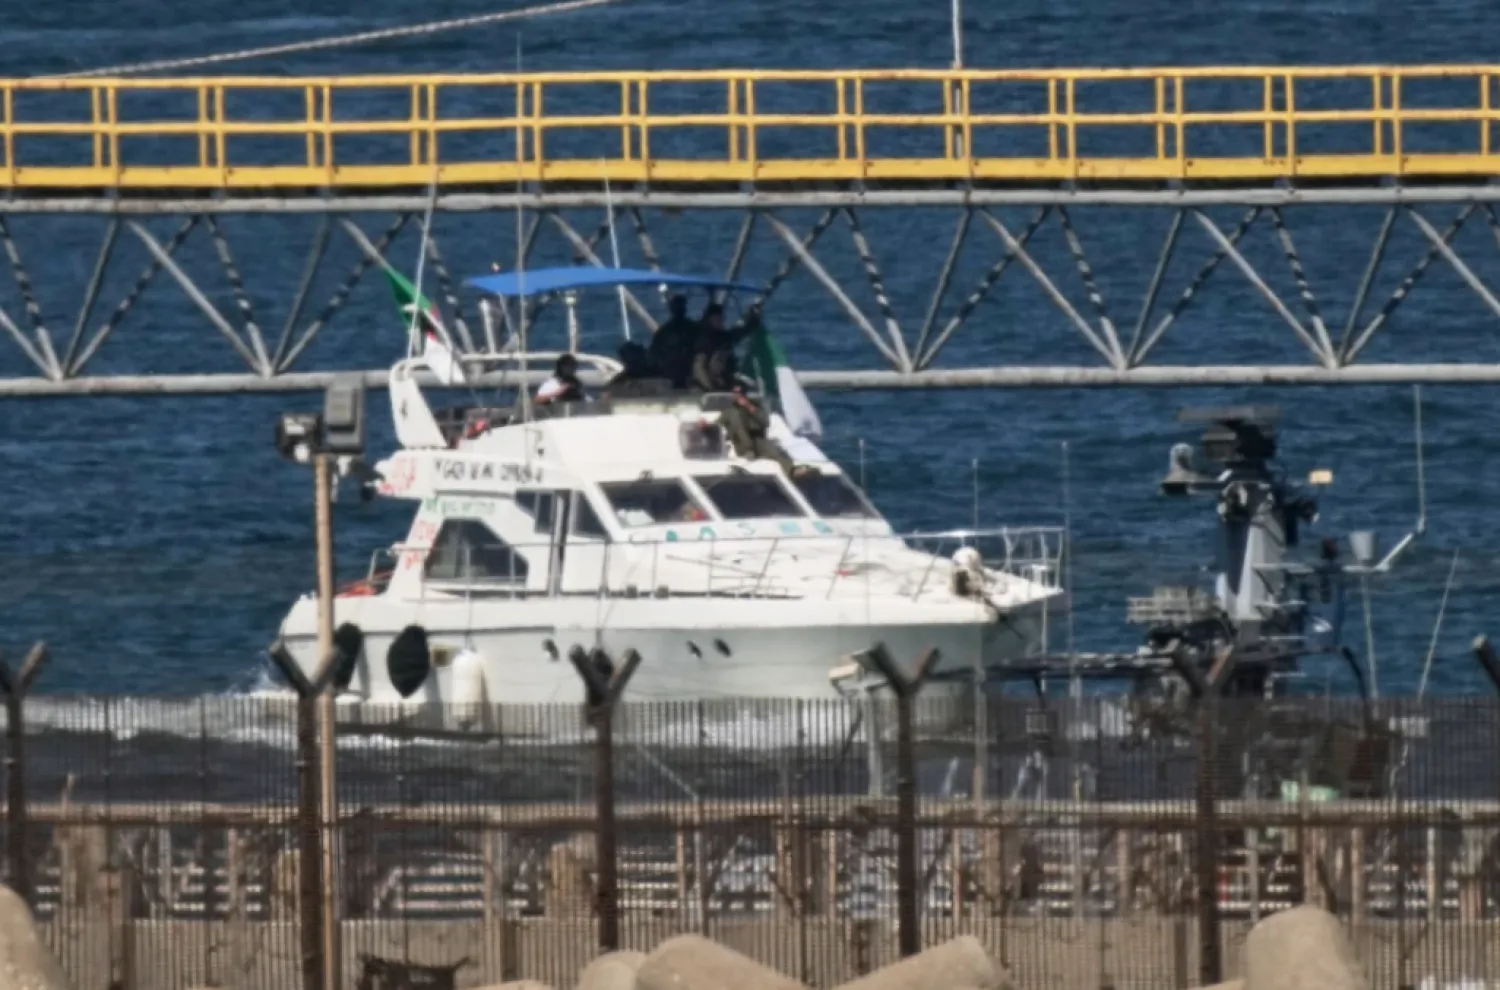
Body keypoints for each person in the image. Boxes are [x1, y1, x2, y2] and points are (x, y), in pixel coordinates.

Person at [719, 378, 803, 476]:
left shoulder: (756, 406)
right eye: (735, 393)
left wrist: (749, 407)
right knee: (736, 418)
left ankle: (791, 471)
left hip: (758, 440)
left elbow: (765, 422)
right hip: (742, 443)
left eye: (740, 393)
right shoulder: (729, 411)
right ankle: (748, 451)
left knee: (777, 450)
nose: (738, 396)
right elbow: (718, 424)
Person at [691, 302, 759, 392]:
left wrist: (753, 320)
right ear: (709, 320)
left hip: (724, 382)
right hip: (705, 387)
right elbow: (698, 368)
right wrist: (710, 388)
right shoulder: (703, 341)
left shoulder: (724, 337)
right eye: (716, 319)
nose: (721, 321)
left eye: (721, 318)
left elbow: (740, 332)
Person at [647, 294, 699, 388]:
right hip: (674, 368)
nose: (680, 309)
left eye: (681, 306)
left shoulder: (692, 328)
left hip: (684, 367)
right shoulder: (664, 332)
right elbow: (654, 353)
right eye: (678, 307)